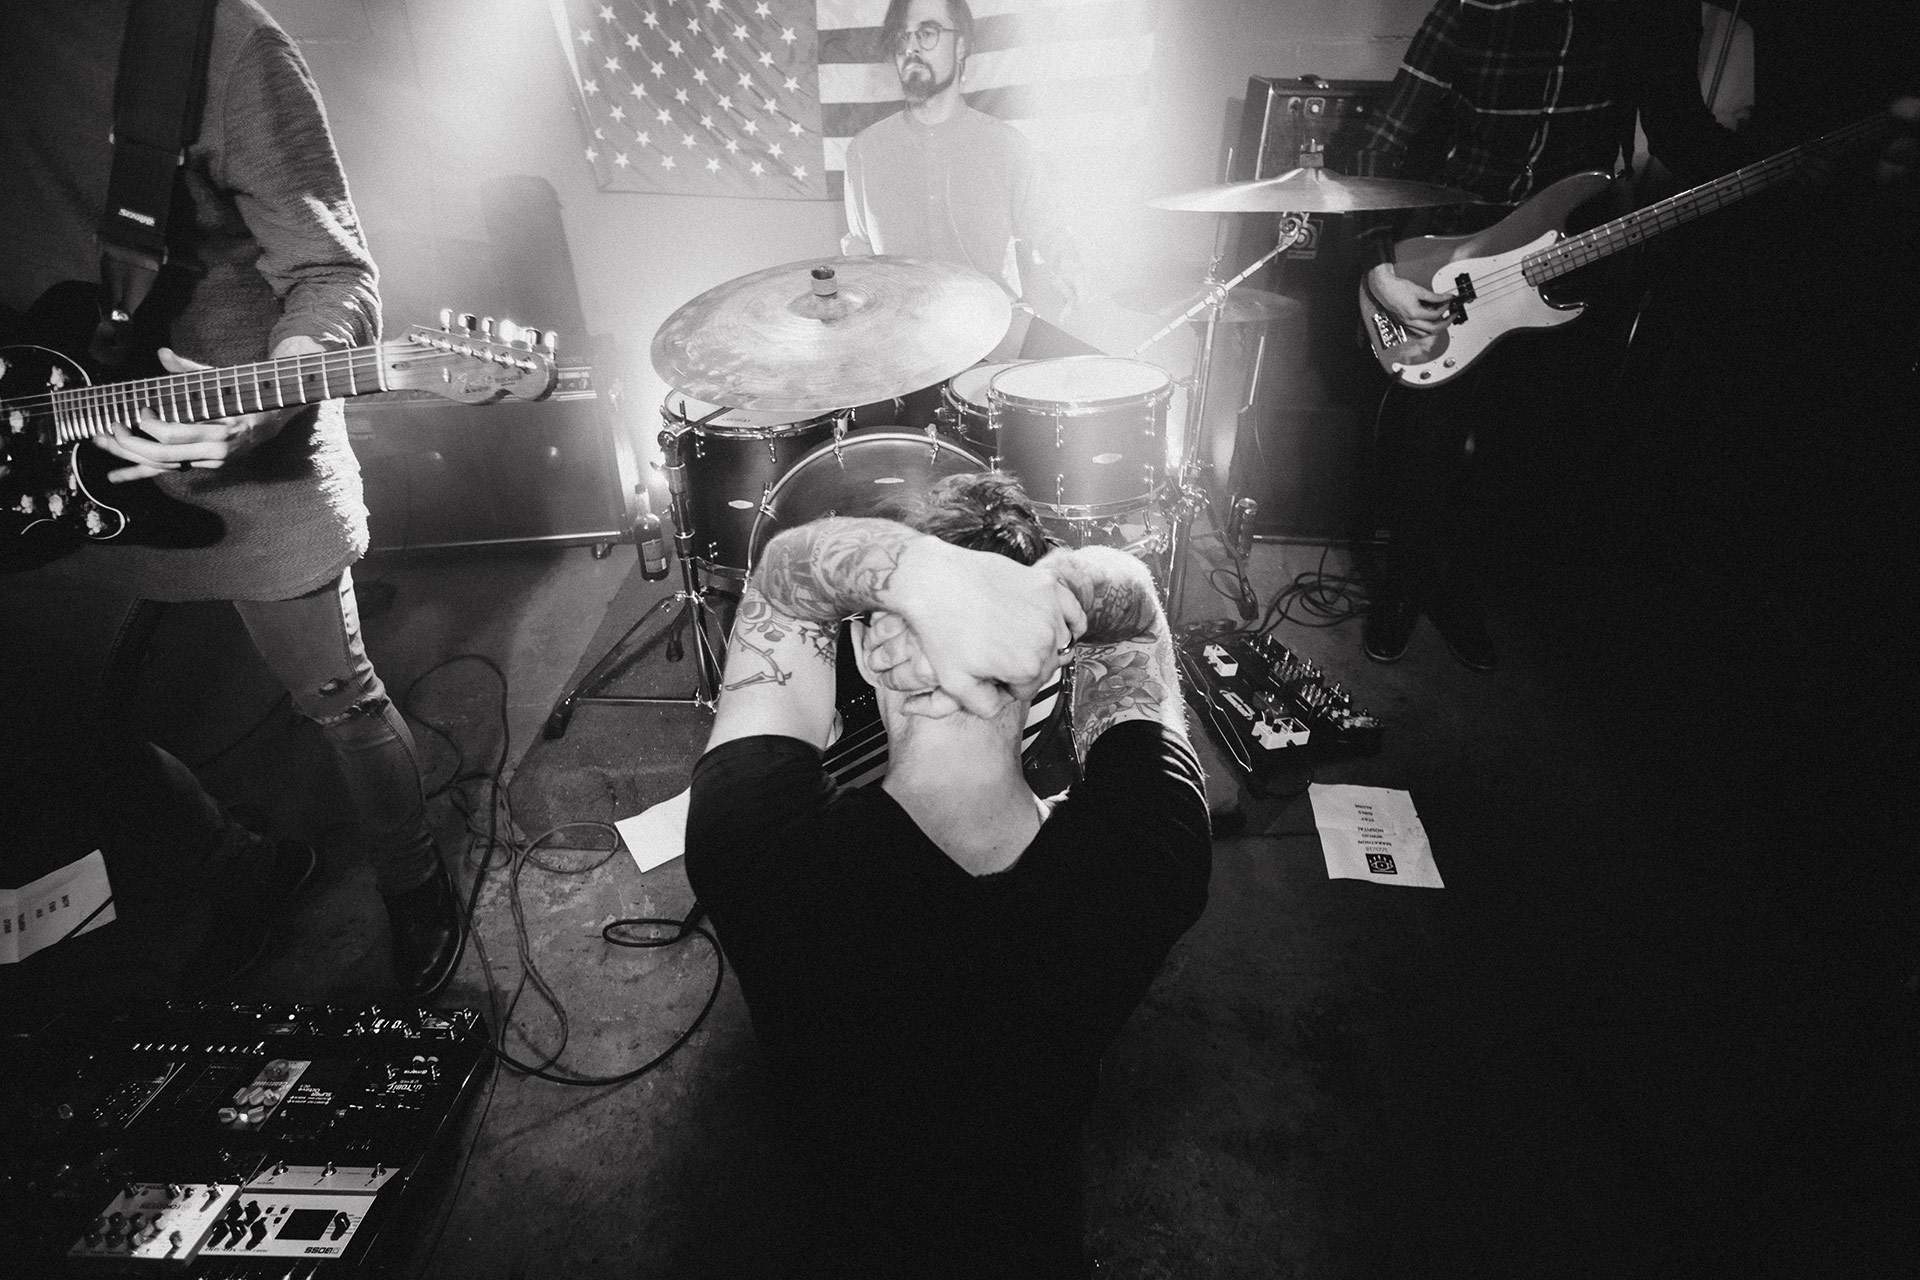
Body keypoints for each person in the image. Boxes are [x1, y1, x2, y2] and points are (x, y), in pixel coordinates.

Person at [0, 0, 461, 999]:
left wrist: (262, 404)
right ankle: (236, 867)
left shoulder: (217, 41)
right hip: (25, 466)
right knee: (51, 723)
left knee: (340, 699)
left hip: (247, 450)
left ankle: (412, 881)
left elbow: (333, 274)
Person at [684, 473, 1210, 1277]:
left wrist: (917, 577)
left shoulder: (755, 845)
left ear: (871, 650)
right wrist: (1053, 594)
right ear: (1050, 660)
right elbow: (1134, 615)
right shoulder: (1150, 853)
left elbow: (787, 580)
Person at [1352, 0, 1751, 671]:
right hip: (1457, 258)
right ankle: (1405, 584)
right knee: (1427, 444)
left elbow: (1681, 133)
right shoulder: (1476, 7)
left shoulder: (1650, 13)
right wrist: (1378, 269)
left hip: (1570, 263)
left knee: (1523, 448)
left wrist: (1772, 160)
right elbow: (1377, 143)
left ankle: (1464, 592)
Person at [840, 0, 1082, 324]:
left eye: (927, 32)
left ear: (960, 46)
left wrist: (1071, 284)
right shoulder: (863, 153)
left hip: (995, 339)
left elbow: (1052, 239)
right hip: (902, 342)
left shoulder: (1008, 147)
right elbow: (860, 262)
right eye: (901, 36)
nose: (910, 47)